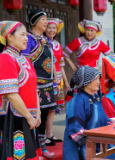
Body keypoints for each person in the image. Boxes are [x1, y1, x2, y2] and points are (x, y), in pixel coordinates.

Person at [0, 21, 42, 160]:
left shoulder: (24, 59)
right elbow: (11, 94)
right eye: (23, 35)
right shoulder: (5, 58)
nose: (26, 38)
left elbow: (34, 88)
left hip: (29, 116)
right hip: (13, 117)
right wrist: (30, 117)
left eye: (27, 35)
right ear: (10, 37)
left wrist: (38, 113)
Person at [22, 9, 57, 158]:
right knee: (34, 117)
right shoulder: (29, 39)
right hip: (35, 85)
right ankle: (34, 150)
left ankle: (42, 149)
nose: (46, 22)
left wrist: (55, 81)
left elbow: (51, 62)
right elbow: (24, 62)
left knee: (42, 119)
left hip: (47, 85)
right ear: (35, 21)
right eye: (44, 19)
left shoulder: (45, 40)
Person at [63, 66, 115, 160]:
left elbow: (104, 121)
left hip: (98, 146)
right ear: (86, 81)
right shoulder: (77, 101)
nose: (99, 82)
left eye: (99, 79)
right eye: (95, 79)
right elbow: (76, 131)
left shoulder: (96, 98)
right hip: (83, 149)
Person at [63, 19, 115, 101]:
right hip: (80, 74)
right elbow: (64, 53)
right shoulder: (78, 41)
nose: (89, 32)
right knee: (78, 100)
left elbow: (111, 56)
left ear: (96, 32)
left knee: (94, 101)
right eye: (87, 30)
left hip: (95, 76)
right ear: (84, 30)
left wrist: (103, 69)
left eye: (92, 30)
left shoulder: (99, 43)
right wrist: (73, 66)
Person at [44, 18, 70, 146]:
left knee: (53, 108)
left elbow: (61, 64)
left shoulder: (58, 45)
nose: (52, 30)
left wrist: (65, 82)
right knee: (46, 107)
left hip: (58, 79)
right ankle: (43, 136)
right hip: (46, 78)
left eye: (54, 28)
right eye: (49, 27)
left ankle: (49, 134)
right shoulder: (42, 42)